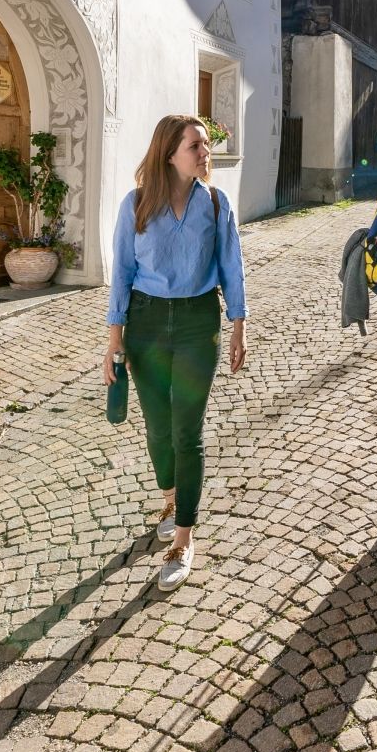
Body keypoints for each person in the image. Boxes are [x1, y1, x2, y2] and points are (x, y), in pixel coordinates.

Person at [104, 114, 247, 590]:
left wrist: (238, 328)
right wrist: (114, 341)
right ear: (170, 152)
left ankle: (184, 536)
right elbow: (121, 271)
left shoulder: (215, 202)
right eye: (196, 145)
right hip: (145, 324)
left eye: (206, 144)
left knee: (187, 431)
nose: (205, 152)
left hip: (195, 324)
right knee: (158, 429)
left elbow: (232, 265)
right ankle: (171, 496)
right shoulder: (137, 204)